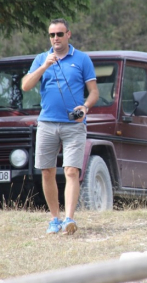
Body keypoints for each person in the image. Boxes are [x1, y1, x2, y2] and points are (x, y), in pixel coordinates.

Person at [22, 18, 99, 234]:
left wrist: (84, 107)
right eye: (52, 35)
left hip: (74, 125)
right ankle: (54, 219)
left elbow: (94, 92)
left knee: (72, 170)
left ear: (68, 34)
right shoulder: (40, 59)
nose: (55, 38)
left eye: (59, 34)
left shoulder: (82, 59)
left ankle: (69, 219)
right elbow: (26, 86)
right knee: (47, 172)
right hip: (47, 123)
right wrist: (44, 66)